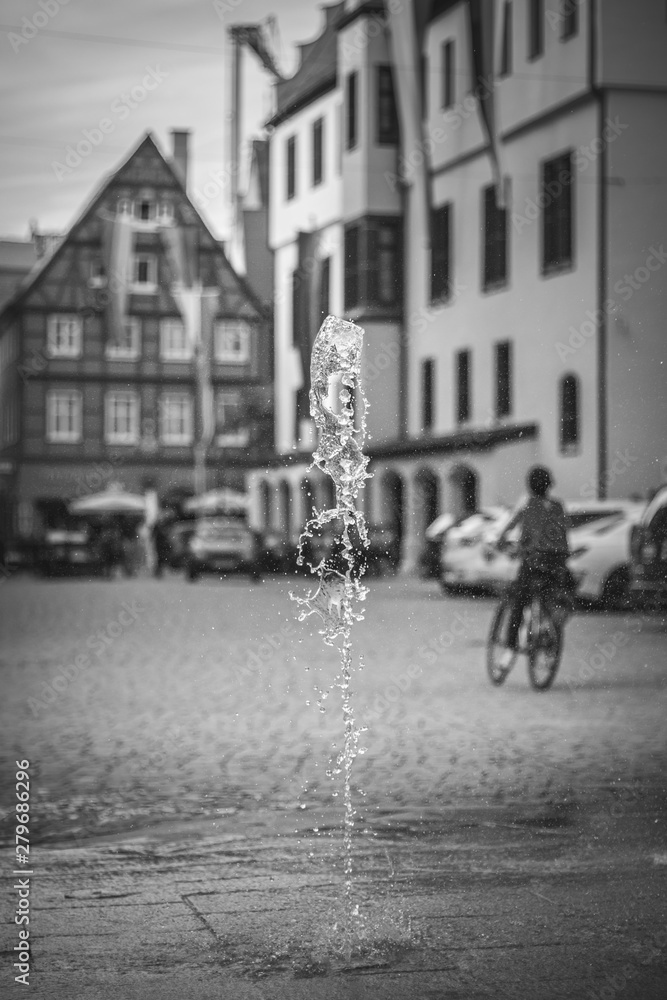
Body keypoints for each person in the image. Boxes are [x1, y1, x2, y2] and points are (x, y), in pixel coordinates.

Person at [495, 466, 571, 663]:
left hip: (534, 560)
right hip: (557, 561)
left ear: (529, 486)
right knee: (552, 596)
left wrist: (502, 543)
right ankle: (547, 628)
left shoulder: (528, 504)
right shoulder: (558, 505)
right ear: (549, 485)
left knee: (519, 601)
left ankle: (510, 650)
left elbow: (510, 529)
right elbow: (563, 532)